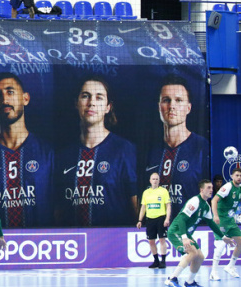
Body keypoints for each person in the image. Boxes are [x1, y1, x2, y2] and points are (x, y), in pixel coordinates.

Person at [0, 73, 54, 228]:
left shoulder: (47, 152)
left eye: (10, 92)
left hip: (39, 241)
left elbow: (58, 208)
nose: (5, 100)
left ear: (25, 99)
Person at [57, 76, 137, 227]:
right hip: (75, 240)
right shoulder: (64, 156)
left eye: (99, 97)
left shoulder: (125, 150)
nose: (91, 102)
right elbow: (58, 212)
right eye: (85, 96)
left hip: (113, 239)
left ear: (108, 107)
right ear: (76, 103)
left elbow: (137, 211)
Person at [143, 75, 209, 216]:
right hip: (156, 223)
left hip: (190, 224)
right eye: (166, 100)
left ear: (188, 108)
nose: (172, 106)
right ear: (159, 106)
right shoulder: (149, 150)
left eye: (178, 100)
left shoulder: (202, 147)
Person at [164, 179, 235, 287]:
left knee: (200, 256)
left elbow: (211, 223)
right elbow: (181, 219)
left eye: (212, 188)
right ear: (201, 190)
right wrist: (184, 237)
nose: (211, 190)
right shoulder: (195, 201)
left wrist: (223, 237)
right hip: (176, 231)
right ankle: (172, 279)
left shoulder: (206, 206)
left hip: (185, 233)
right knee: (192, 253)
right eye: (208, 188)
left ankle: (189, 282)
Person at [137, 172, 172, 269]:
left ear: (159, 181)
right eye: (153, 179)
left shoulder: (163, 191)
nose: (155, 181)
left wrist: (167, 218)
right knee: (151, 241)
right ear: (150, 180)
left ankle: (163, 261)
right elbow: (143, 207)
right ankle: (156, 261)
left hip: (161, 218)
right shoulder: (146, 192)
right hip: (150, 219)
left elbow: (168, 206)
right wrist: (140, 220)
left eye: (157, 179)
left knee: (162, 239)